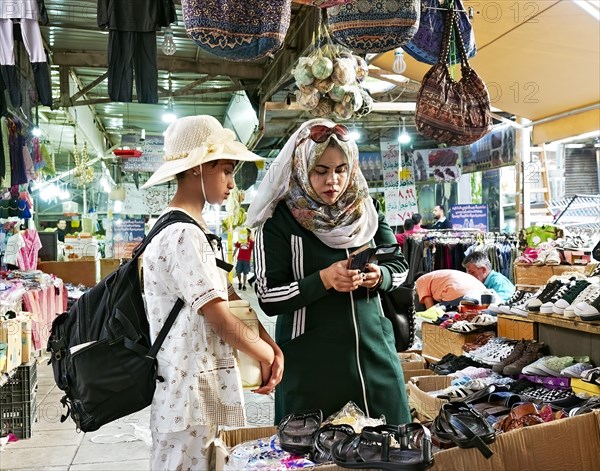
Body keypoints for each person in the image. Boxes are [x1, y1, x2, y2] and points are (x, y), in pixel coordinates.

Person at [140, 115, 283, 471]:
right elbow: (218, 315)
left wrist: (269, 343)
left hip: (200, 387)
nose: (233, 184)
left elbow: (231, 298)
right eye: (226, 171)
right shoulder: (183, 235)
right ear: (197, 170)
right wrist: (267, 355)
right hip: (188, 394)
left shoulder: (192, 230)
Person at [247, 118, 411, 426]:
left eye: (340, 170)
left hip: (372, 354)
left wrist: (380, 276)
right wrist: (323, 279)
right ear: (300, 168)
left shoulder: (365, 212)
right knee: (313, 453)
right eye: (320, 171)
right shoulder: (281, 222)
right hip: (311, 365)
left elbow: (399, 266)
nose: (332, 181)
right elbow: (268, 295)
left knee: (389, 446)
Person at [414, 269, 487, 310]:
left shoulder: (420, 281)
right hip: (482, 291)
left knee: (438, 316)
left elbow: (430, 309)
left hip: (457, 293)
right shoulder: (437, 275)